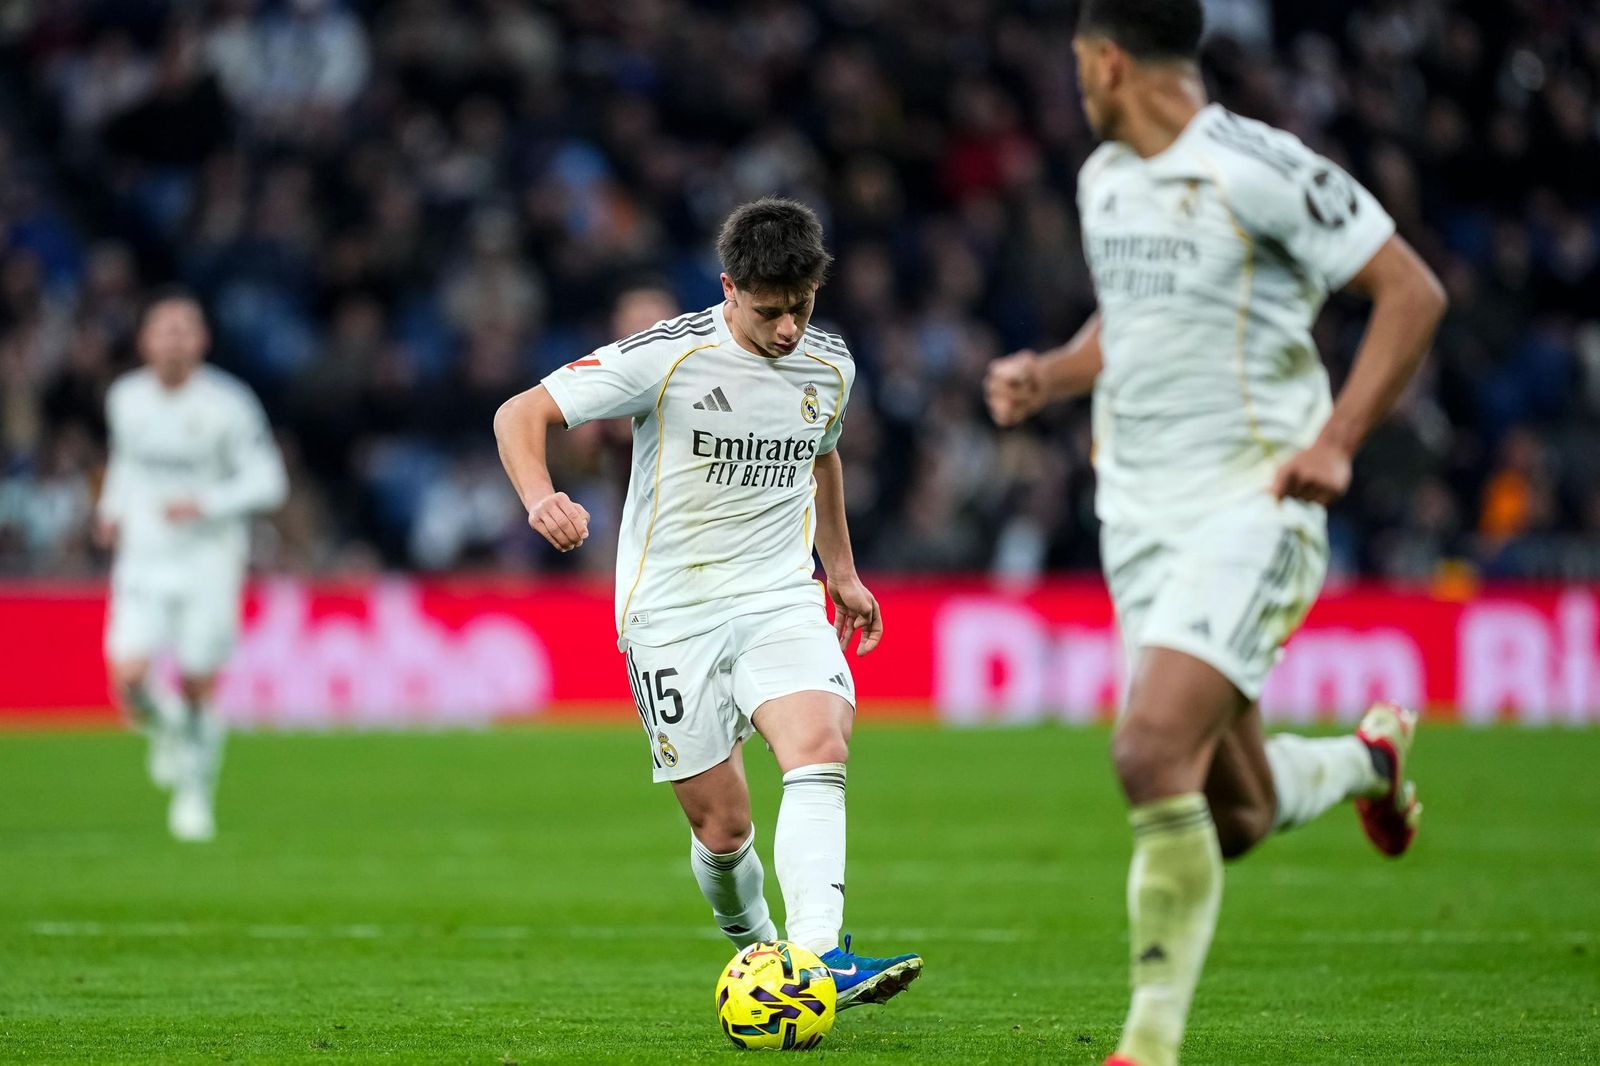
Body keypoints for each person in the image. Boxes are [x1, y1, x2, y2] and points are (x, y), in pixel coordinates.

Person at [983, 3, 1447, 1064]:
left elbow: (1410, 293)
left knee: (1146, 751)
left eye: (1075, 66)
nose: (1073, 85)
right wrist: (1051, 375)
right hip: (1136, 520)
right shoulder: (1104, 184)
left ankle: (1145, 1046)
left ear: (1107, 61)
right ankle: (1369, 761)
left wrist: (1335, 440)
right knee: (1229, 816)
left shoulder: (1258, 166)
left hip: (1253, 504)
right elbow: (1134, 319)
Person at [494, 198, 922, 1008]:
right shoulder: (667, 356)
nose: (789, 329)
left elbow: (821, 458)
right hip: (671, 612)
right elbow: (521, 412)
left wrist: (842, 571)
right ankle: (761, 949)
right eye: (769, 312)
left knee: (820, 747)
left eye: (802, 308)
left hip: (778, 596)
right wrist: (540, 495)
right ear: (729, 289)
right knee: (722, 832)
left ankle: (817, 957)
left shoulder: (832, 366)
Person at [98, 289, 288, 842]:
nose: (175, 339)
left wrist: (205, 505)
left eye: (186, 329)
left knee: (198, 682)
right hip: (144, 556)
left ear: (202, 340)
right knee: (129, 679)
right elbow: (126, 462)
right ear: (145, 340)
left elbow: (269, 482)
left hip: (208, 559)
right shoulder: (125, 398)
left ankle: (195, 794)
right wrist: (110, 510)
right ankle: (170, 732)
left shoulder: (229, 404)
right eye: (165, 329)